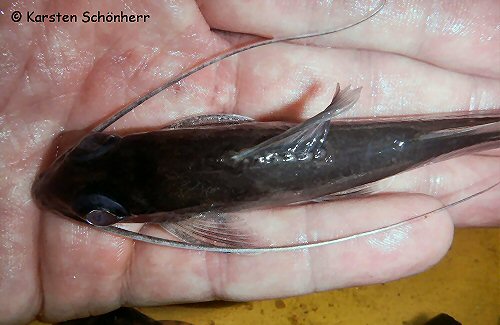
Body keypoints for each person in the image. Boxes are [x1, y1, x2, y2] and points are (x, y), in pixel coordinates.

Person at [0, 0, 498, 323]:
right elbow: (209, 137)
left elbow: (217, 218)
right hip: (303, 150)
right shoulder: (161, 145)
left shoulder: (177, 208)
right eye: (100, 209)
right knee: (440, 136)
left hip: (303, 153)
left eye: (94, 146)